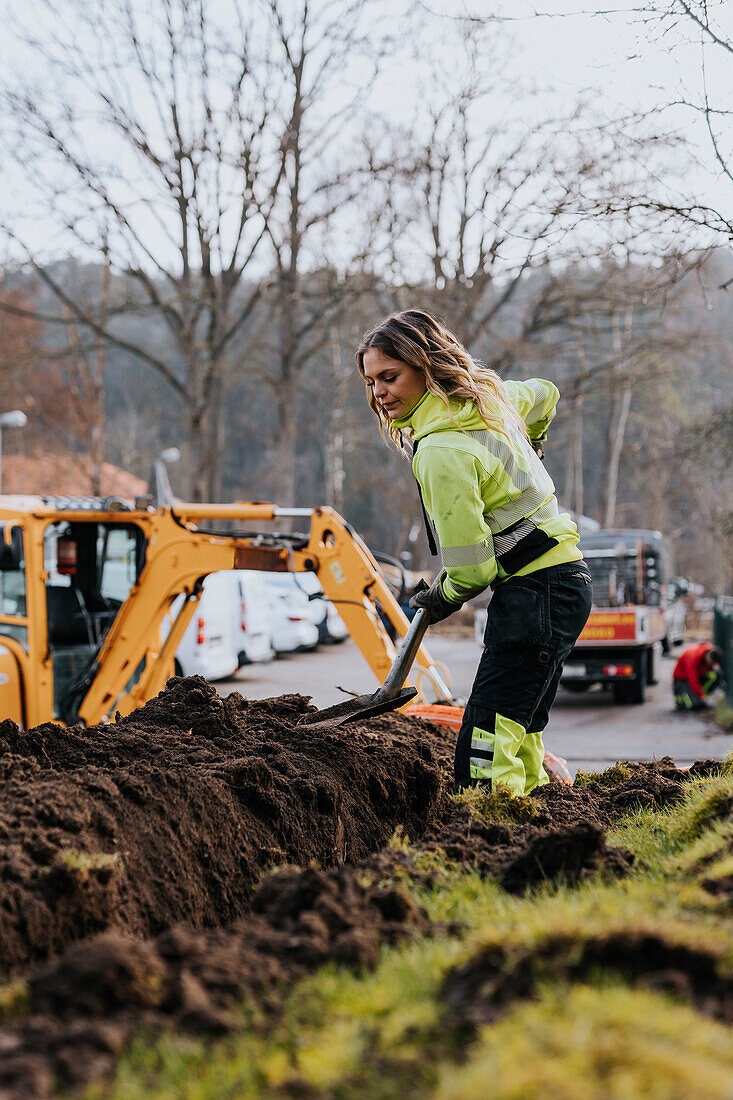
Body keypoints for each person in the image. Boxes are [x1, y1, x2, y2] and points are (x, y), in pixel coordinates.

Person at [356, 309, 593, 796]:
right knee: (518, 726)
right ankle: (531, 825)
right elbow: (546, 393)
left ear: (425, 365)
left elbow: (472, 569)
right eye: (371, 381)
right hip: (565, 582)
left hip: (534, 592)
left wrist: (442, 596)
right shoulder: (491, 399)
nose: (379, 392)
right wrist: (535, 441)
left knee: (483, 745)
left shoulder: (442, 452)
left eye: (389, 376)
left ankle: (489, 836)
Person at [673, 643, 725, 711]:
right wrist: (701, 696)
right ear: (708, 656)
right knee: (693, 705)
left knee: (717, 673)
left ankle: (706, 695)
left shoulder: (709, 651)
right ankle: (681, 700)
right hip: (682, 680)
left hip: (698, 675)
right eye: (711, 662)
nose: (711, 665)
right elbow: (693, 679)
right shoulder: (692, 657)